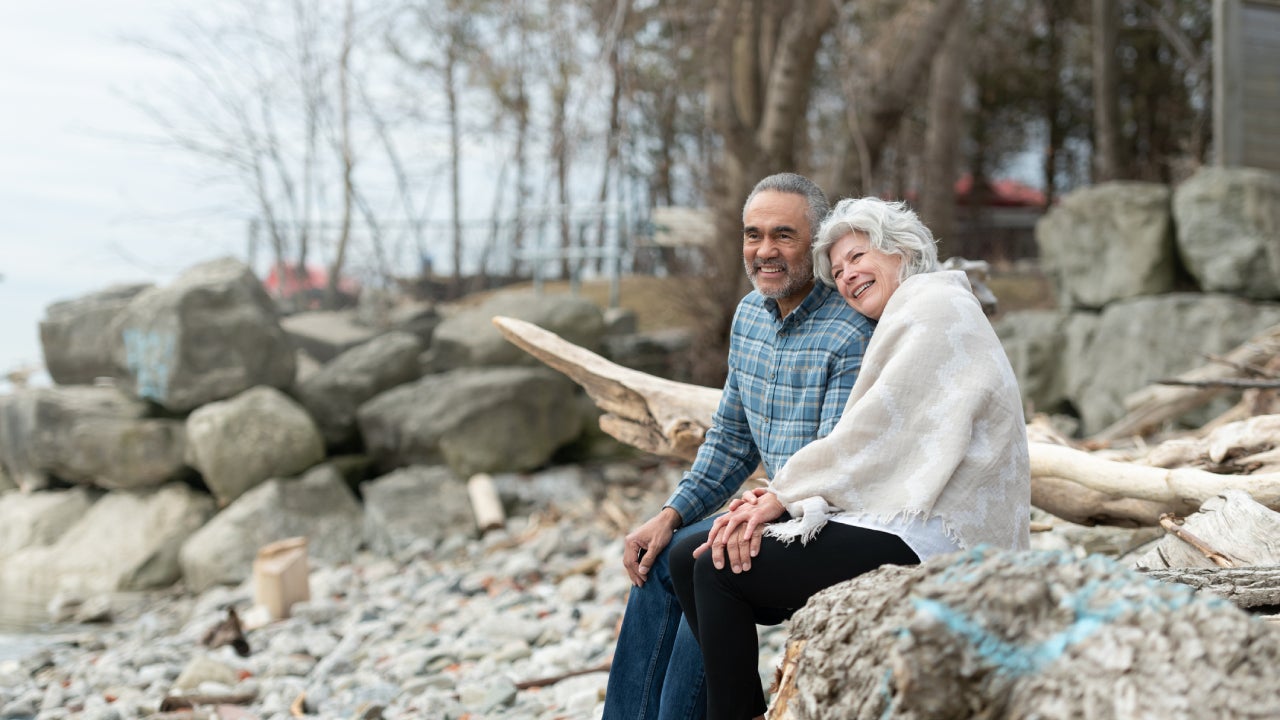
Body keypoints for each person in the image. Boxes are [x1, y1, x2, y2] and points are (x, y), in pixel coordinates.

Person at [669, 197, 1032, 720]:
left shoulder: (933, 308)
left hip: (942, 537)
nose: (847, 277)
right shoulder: (915, 311)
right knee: (692, 555)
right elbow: (884, 444)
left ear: (901, 251)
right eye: (838, 271)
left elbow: (873, 436)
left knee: (715, 569)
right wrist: (784, 498)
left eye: (858, 258)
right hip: (909, 519)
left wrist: (782, 496)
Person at [602, 174, 876, 720]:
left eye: (783, 236)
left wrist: (752, 513)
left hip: (817, 520)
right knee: (659, 555)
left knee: (697, 559)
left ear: (816, 244)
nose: (765, 251)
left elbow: (833, 467)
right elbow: (729, 439)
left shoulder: (850, 332)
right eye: (754, 235)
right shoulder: (750, 315)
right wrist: (670, 512)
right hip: (766, 508)